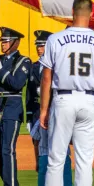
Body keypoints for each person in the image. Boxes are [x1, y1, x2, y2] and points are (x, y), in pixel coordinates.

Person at [39, 0, 94, 186]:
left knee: (56, 159)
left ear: (72, 13)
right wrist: (89, 80)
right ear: (90, 15)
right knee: (84, 161)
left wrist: (44, 110)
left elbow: (47, 77)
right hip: (89, 101)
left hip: (64, 99)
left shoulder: (55, 39)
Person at [0, 26, 32, 186]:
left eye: (6, 41)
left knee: (7, 149)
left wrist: (0, 71)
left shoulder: (23, 61)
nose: (3, 43)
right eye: (2, 41)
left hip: (11, 109)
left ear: (16, 43)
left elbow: (17, 83)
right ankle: (11, 181)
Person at [27, 30, 52, 171]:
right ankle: (39, 166)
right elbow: (29, 93)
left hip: (51, 109)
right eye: (37, 45)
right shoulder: (34, 67)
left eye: (42, 45)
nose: (38, 48)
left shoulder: (56, 66)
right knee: (36, 140)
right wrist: (29, 115)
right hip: (36, 110)